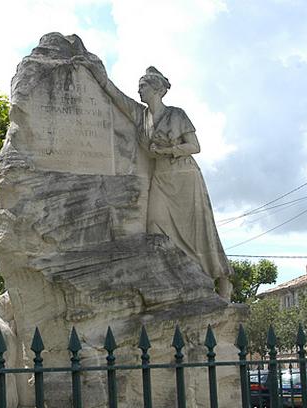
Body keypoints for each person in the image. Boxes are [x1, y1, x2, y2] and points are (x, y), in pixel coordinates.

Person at [78, 60, 232, 298]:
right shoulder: (141, 116)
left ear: (157, 89)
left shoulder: (176, 115)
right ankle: (178, 279)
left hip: (184, 177)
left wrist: (170, 150)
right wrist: (100, 76)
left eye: (143, 86)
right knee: (155, 226)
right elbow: (117, 96)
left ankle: (221, 281)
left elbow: (195, 146)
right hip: (161, 176)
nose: (139, 90)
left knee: (200, 232)